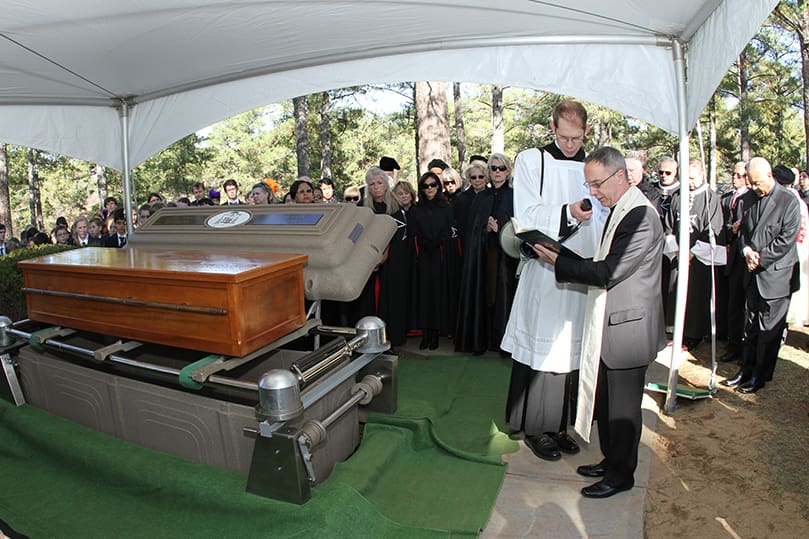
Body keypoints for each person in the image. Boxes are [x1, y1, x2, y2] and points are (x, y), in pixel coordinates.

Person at [533, 146, 665, 499]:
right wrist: (561, 255)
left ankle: (622, 474)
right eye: (588, 184)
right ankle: (612, 460)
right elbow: (604, 260)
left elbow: (609, 272)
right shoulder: (621, 210)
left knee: (622, 411)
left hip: (629, 330)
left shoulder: (640, 216)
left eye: (596, 183)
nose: (592, 192)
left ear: (619, 176)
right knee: (607, 404)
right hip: (614, 327)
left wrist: (558, 263)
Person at [501, 99, 608, 462]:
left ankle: (561, 425)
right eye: (563, 137)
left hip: (581, 273)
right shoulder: (534, 161)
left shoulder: (595, 167)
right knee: (544, 350)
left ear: (587, 132)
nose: (569, 145)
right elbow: (526, 214)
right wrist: (569, 214)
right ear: (552, 128)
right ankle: (536, 428)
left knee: (571, 350)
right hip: (546, 270)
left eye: (576, 138)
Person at [722, 157, 800, 394]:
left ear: (769, 175)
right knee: (751, 325)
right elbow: (744, 231)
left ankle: (761, 375)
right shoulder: (747, 199)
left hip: (777, 275)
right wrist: (746, 251)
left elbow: (786, 239)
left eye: (757, 183)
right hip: (752, 273)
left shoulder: (789, 201)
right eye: (751, 183)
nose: (755, 187)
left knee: (769, 330)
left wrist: (761, 257)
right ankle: (746, 368)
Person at [455, 152, 518, 356]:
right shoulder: (481, 197)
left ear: (508, 171)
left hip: (508, 258)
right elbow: (472, 228)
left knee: (504, 295)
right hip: (484, 255)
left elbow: (520, 226)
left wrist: (502, 230)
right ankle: (480, 340)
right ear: (489, 172)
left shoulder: (515, 196)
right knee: (484, 294)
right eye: (494, 168)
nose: (498, 172)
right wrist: (486, 228)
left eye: (502, 168)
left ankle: (503, 343)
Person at [664, 159, 724, 350]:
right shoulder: (678, 196)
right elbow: (669, 225)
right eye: (686, 178)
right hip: (677, 255)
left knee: (695, 296)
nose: (689, 182)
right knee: (674, 292)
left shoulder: (710, 198)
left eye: (692, 178)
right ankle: (674, 331)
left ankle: (692, 335)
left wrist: (691, 253)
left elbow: (713, 230)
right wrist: (676, 249)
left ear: (701, 175)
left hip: (698, 258)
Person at [409, 171, 458, 350]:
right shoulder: (416, 209)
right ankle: (426, 333)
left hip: (440, 255)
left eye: (432, 185)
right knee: (424, 295)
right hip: (422, 256)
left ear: (438, 186)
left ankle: (435, 333)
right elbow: (413, 231)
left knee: (437, 294)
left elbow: (450, 230)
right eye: (425, 186)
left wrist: (438, 242)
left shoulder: (446, 207)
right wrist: (423, 243)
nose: (429, 189)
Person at [720, 162, 756, 363]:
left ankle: (747, 347)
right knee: (733, 302)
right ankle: (733, 344)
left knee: (748, 306)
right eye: (733, 174)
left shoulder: (753, 198)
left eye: (740, 175)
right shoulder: (731, 199)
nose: (735, 178)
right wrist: (731, 229)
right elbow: (724, 224)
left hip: (751, 257)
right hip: (734, 255)